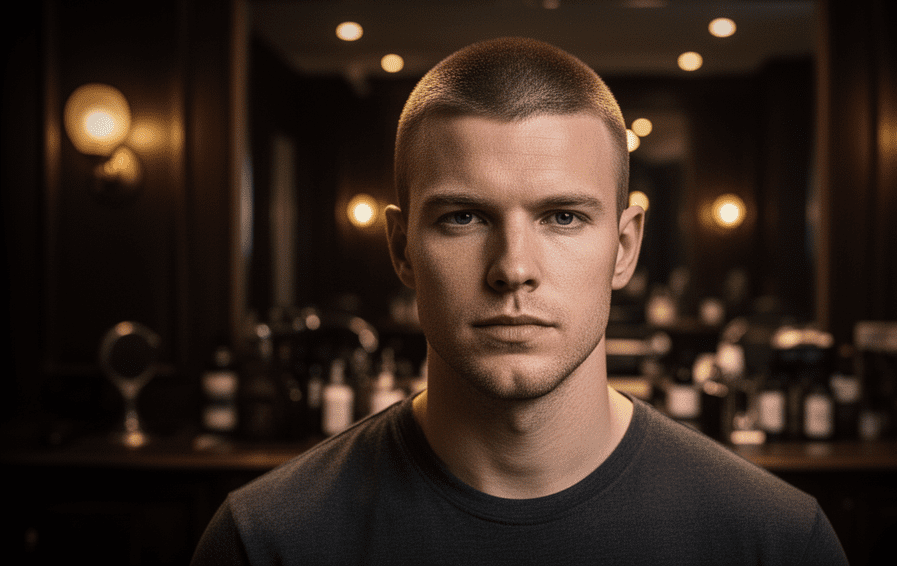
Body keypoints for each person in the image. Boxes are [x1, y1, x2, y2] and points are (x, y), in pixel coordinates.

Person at [191, 36, 848, 565]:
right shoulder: (266, 540)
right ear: (402, 248)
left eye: (562, 217)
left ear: (624, 247)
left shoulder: (776, 541)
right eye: (463, 217)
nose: (513, 269)